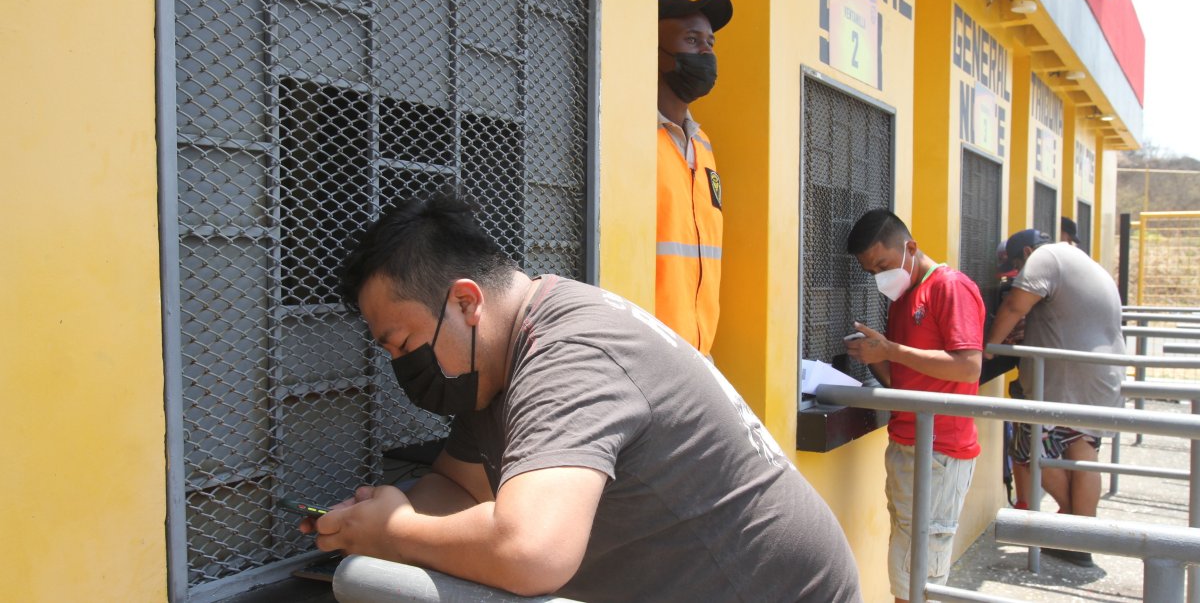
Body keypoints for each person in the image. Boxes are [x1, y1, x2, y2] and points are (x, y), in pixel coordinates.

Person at [303, 193, 863, 602]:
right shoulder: (495, 365)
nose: (403, 365)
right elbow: (458, 484)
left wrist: (397, 534)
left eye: (402, 343)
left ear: (467, 304)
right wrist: (376, 517)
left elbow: (532, 552)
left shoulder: (571, 354)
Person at [843, 209, 984, 603]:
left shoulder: (949, 286)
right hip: (906, 442)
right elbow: (904, 378)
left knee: (918, 572)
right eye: (871, 271)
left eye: (883, 265)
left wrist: (891, 350)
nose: (879, 276)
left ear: (911, 248)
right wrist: (876, 358)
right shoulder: (902, 298)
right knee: (907, 562)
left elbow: (968, 366)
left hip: (940, 448)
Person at [984, 228, 1125, 568]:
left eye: (1016, 271)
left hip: (1065, 379)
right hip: (1102, 375)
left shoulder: (1045, 257)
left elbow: (1017, 305)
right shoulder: (1081, 260)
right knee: (1081, 448)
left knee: (1028, 449)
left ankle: (1072, 527)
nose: (1015, 279)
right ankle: (1080, 539)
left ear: (1028, 253)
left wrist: (990, 348)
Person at [656, 0, 732, 356]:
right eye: (691, 40)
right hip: (645, 358)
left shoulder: (703, 145)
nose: (706, 53)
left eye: (710, 43)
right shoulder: (631, 137)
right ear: (653, 49)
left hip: (697, 359)